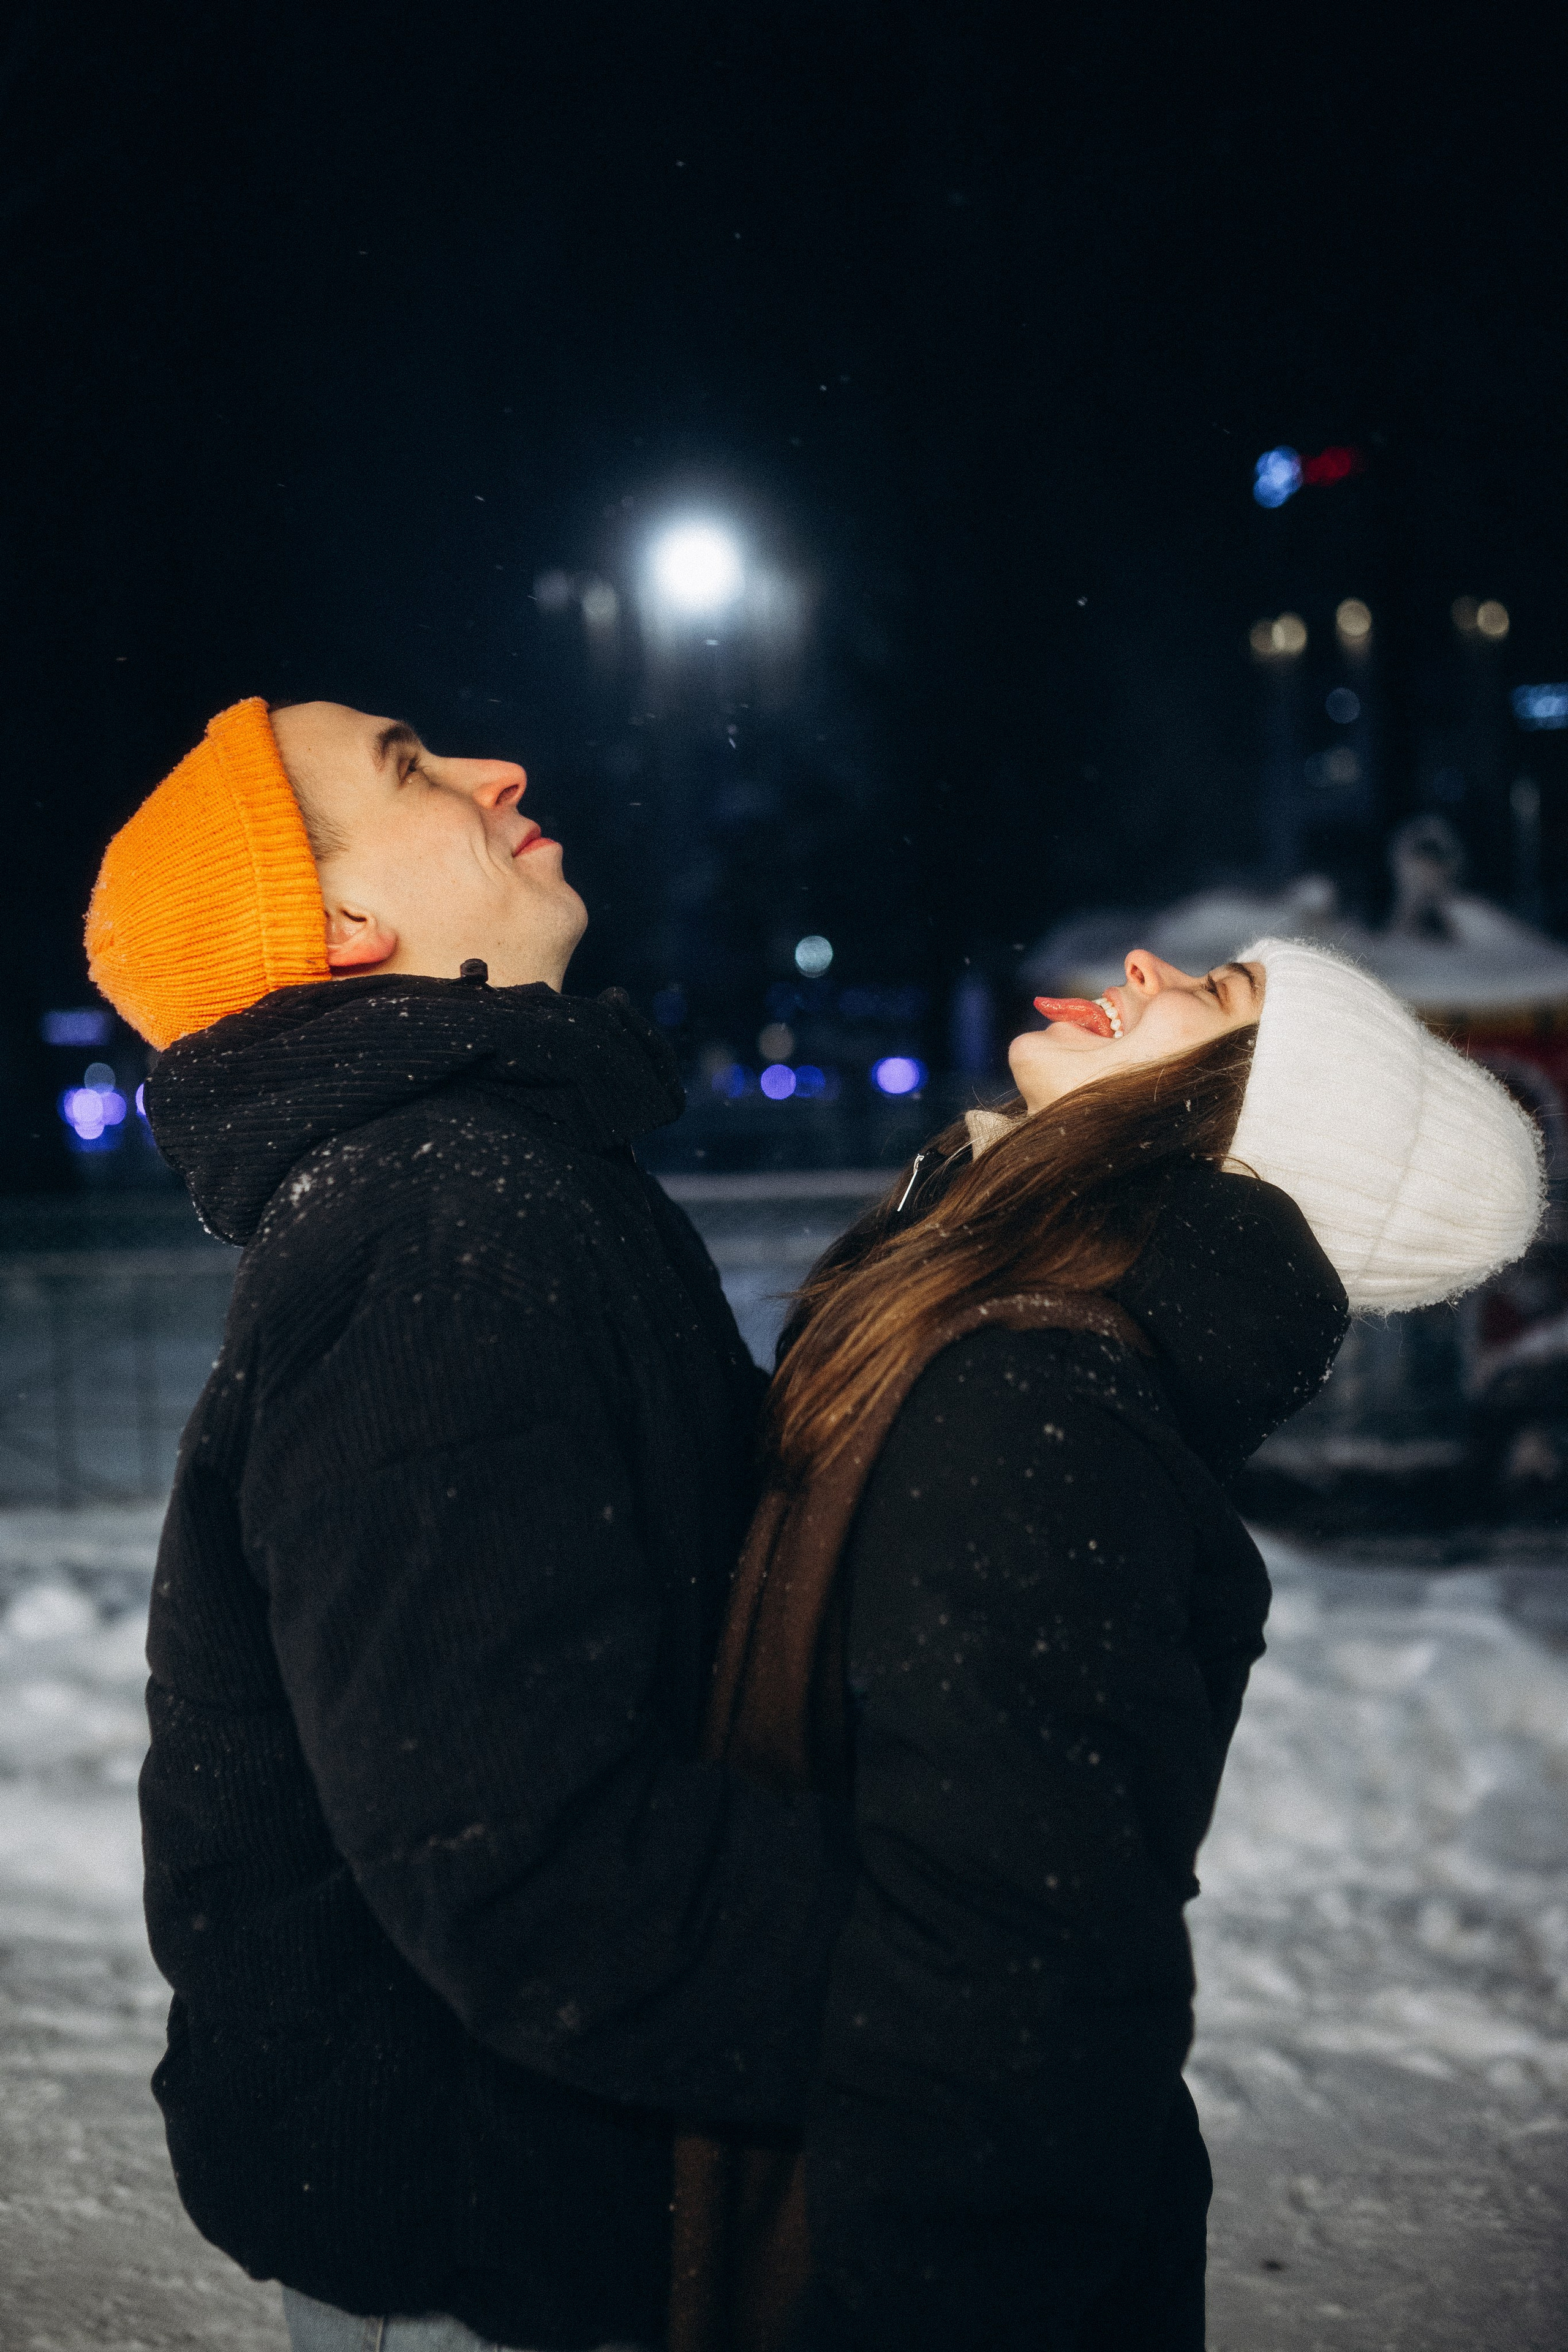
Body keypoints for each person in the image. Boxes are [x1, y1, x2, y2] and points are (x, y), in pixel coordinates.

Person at [85, 697, 855, 2352]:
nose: (500, 769)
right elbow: (522, 1868)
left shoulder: (477, 1176)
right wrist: (925, 1971)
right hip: (489, 2236)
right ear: (347, 928)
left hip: (511, 2198)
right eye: (410, 767)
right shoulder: (440, 1221)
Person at [672, 939, 1544, 2352]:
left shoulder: (1039, 1407)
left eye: (1225, 995)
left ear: (1258, 1122)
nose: (1149, 963)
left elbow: (1020, 1995)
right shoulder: (1013, 1343)